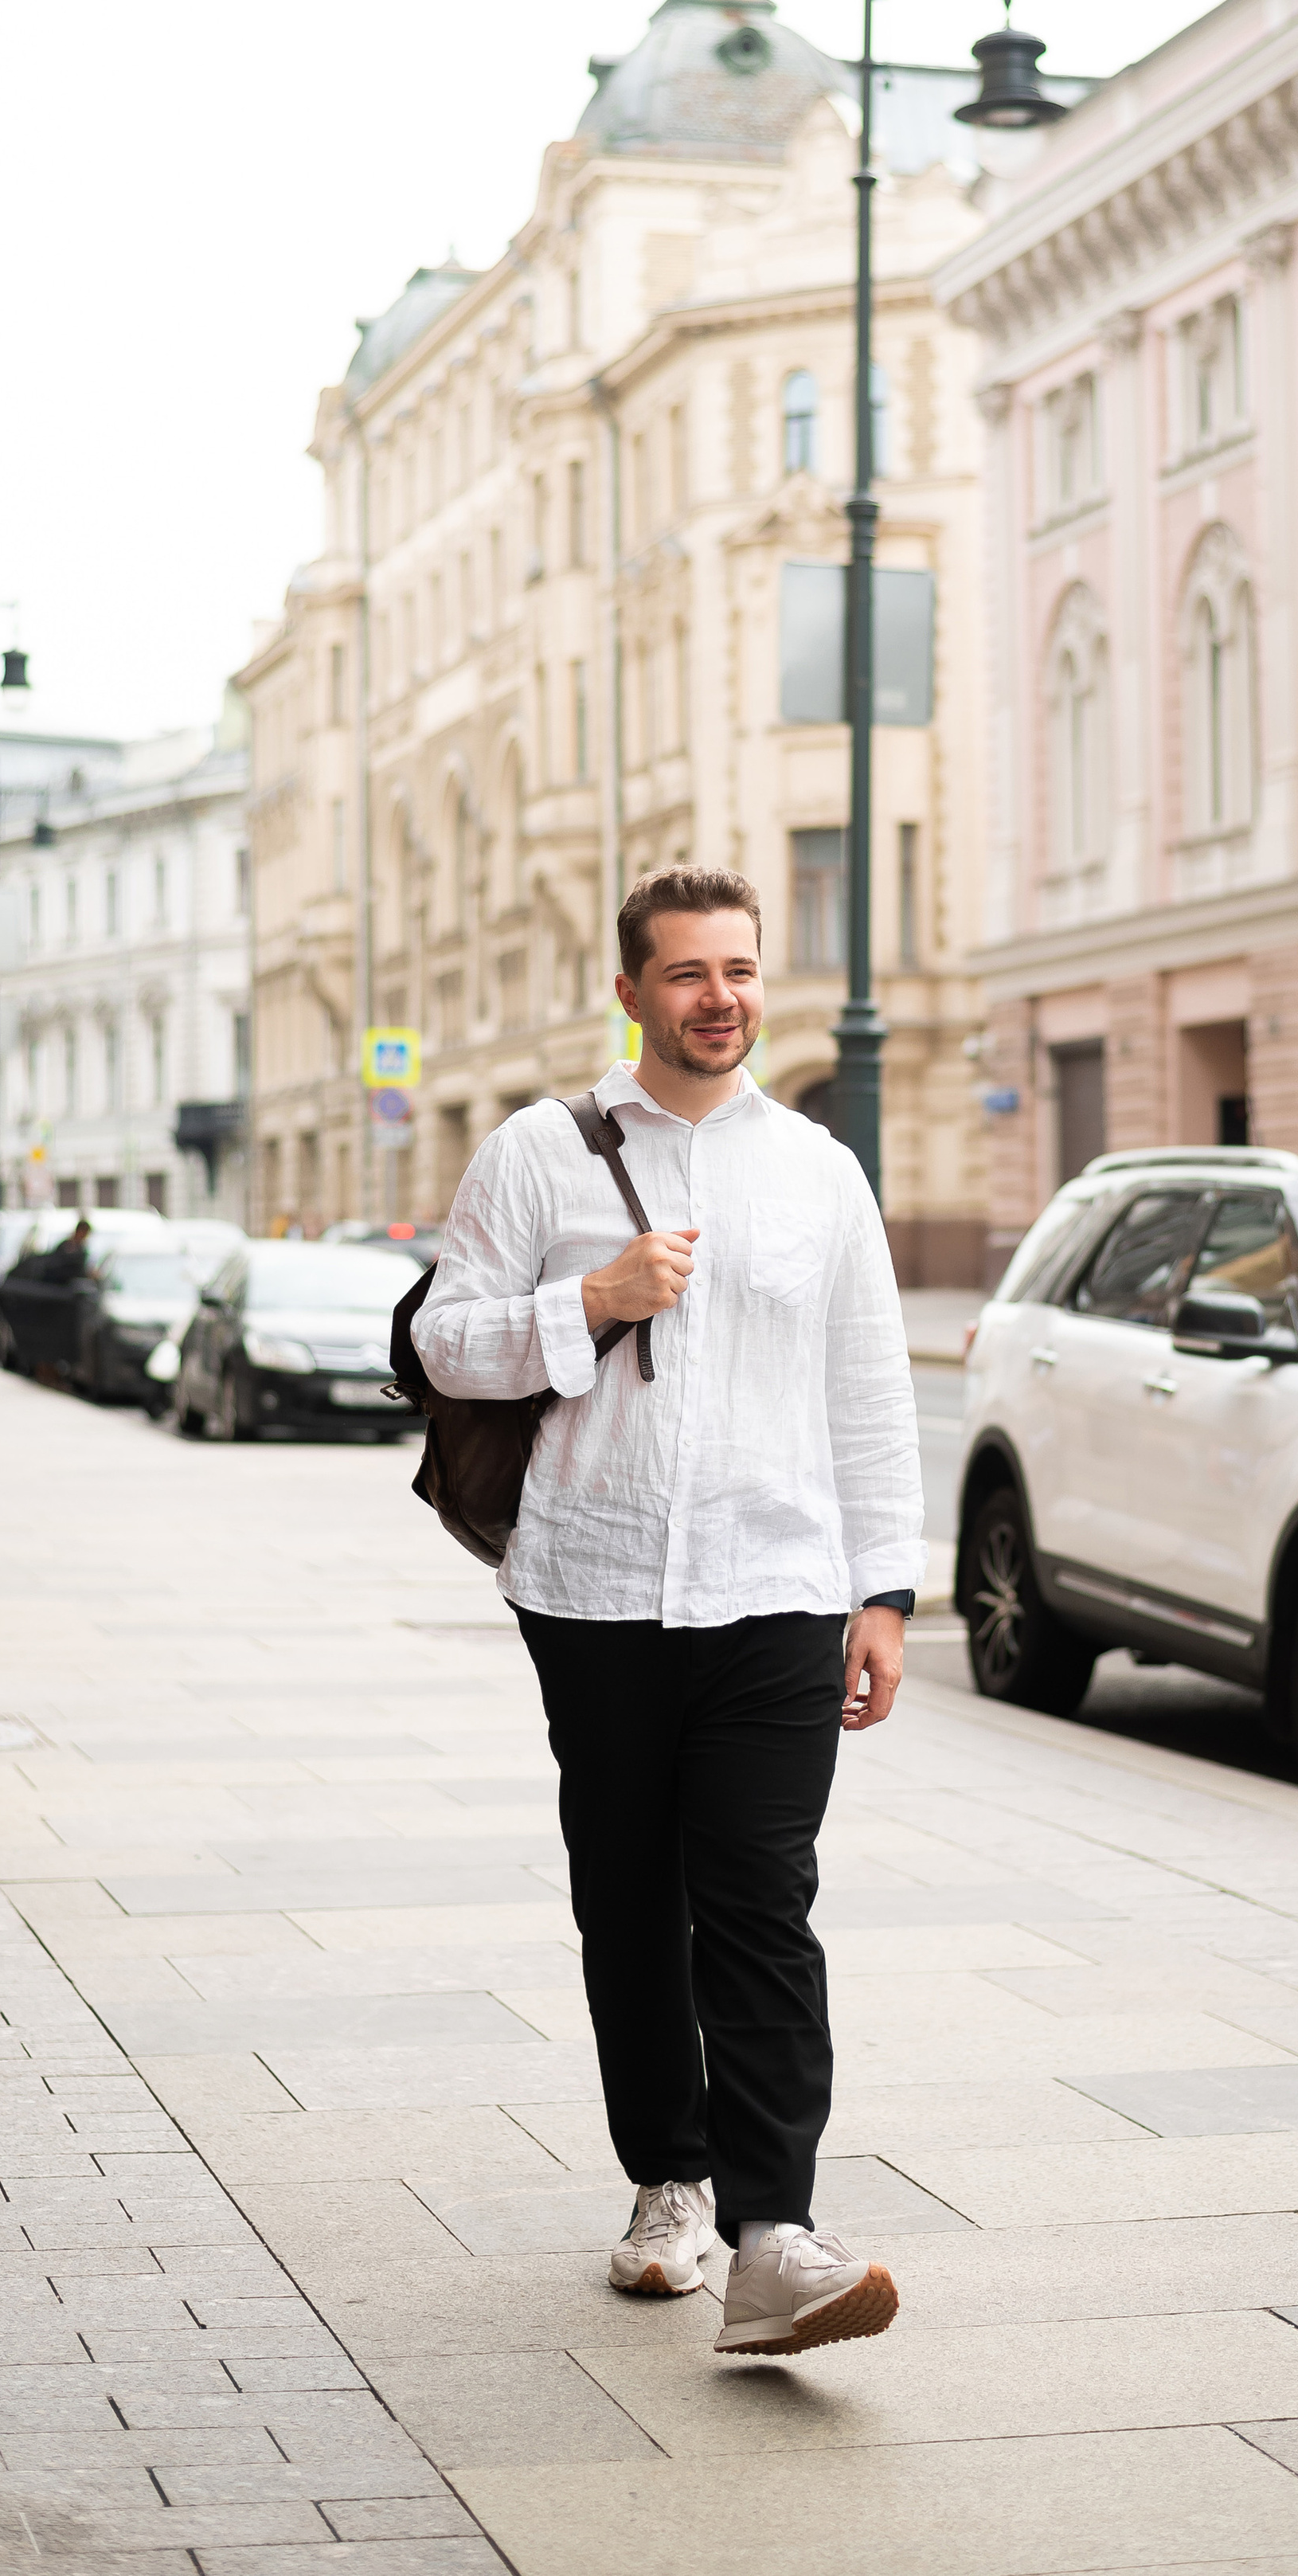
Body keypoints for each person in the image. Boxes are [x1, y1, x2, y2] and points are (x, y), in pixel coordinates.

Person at [413, 865, 923, 2359]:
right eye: (690, 971)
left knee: (762, 1901)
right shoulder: (536, 1151)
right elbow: (444, 1342)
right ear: (632, 989)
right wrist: (592, 1299)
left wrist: (886, 1588)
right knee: (632, 1899)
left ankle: (775, 2238)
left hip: (778, 1586)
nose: (722, 996)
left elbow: (870, 1390)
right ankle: (669, 2180)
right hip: (595, 1588)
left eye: (742, 969)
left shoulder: (819, 1169)